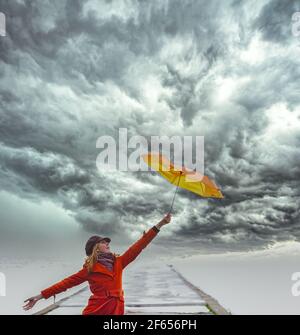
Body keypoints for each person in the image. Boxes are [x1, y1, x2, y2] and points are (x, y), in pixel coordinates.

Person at [23, 213, 172, 315]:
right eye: (103, 242)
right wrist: (39, 296)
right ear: (95, 248)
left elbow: (138, 246)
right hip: (97, 310)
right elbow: (65, 283)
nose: (107, 243)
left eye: (107, 241)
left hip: (117, 309)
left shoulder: (119, 262)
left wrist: (160, 224)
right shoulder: (89, 270)